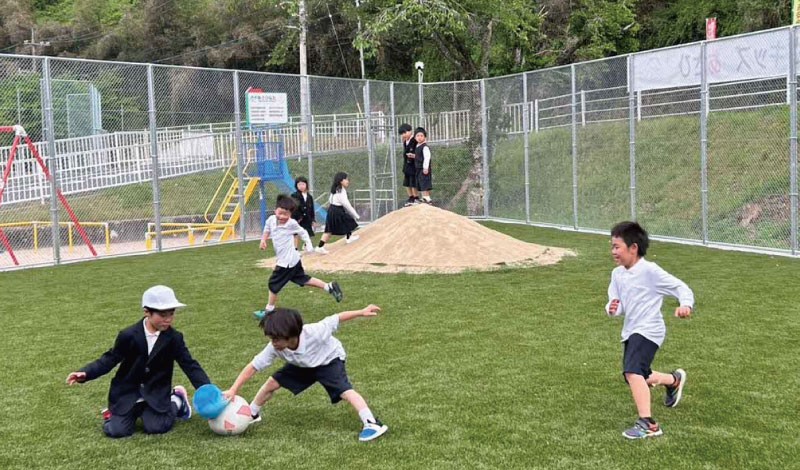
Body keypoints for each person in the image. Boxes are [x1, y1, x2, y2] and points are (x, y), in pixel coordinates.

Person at [223, 305, 389, 442]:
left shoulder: (315, 332)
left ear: (291, 335)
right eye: (271, 338)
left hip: (329, 360)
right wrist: (233, 389)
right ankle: (252, 413)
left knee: (344, 391)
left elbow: (337, 318)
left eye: (276, 339)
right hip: (303, 365)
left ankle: (372, 423)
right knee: (271, 384)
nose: (272, 343)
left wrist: (361, 312)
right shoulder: (274, 347)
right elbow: (253, 366)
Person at [65, 285, 210, 438]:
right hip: (127, 393)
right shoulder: (128, 335)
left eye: (171, 313)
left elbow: (189, 365)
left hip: (156, 393)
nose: (168, 319)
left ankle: (177, 400)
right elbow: (110, 358)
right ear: (147, 312)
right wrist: (86, 373)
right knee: (116, 431)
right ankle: (114, 415)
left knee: (157, 427)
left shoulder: (174, 338)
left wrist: (208, 389)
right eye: (162, 315)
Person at [606, 221, 694, 440]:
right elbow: (616, 303)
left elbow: (681, 287)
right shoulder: (617, 275)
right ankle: (673, 381)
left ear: (633, 248)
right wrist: (612, 308)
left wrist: (685, 304)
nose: (613, 252)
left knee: (632, 371)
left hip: (649, 330)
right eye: (612, 247)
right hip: (631, 330)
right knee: (638, 375)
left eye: (617, 247)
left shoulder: (650, 271)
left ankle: (649, 424)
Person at [256, 194, 343, 320]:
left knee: (273, 284)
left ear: (290, 215)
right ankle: (328, 287)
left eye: (286, 214)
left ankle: (269, 311)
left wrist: (308, 244)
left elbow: (303, 232)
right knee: (303, 279)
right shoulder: (271, 220)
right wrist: (263, 240)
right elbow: (267, 229)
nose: (282, 217)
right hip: (292, 260)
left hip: (287, 262)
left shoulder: (291, 224)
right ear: (275, 210)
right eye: (280, 213)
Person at [315, 172, 360, 254]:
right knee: (349, 220)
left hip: (332, 209)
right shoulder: (341, 191)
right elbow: (346, 204)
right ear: (340, 181)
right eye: (345, 179)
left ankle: (320, 246)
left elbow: (330, 200)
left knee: (329, 230)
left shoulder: (335, 189)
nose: (347, 181)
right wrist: (355, 214)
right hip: (336, 210)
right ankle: (348, 238)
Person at [291, 176, 316, 243]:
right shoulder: (294, 195)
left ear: (306, 185)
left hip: (307, 219)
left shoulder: (309, 197)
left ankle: (307, 247)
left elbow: (311, 209)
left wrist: (313, 220)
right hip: (298, 219)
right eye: (299, 184)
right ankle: (295, 250)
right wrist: (298, 217)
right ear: (296, 186)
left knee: (309, 234)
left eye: (303, 184)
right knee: (296, 235)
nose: (301, 186)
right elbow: (293, 208)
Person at [398, 123, 418, 206]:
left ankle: (416, 197)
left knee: (413, 182)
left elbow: (418, 152)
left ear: (410, 131)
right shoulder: (405, 142)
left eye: (405, 133)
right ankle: (411, 197)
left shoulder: (415, 141)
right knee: (406, 182)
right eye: (402, 134)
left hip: (413, 165)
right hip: (407, 165)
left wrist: (413, 156)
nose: (403, 135)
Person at [413, 127, 433, 204]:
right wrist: (414, 156)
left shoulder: (424, 147)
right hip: (418, 168)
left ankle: (428, 199)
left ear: (425, 137)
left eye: (421, 136)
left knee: (425, 183)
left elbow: (427, 158)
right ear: (415, 137)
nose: (419, 137)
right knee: (421, 183)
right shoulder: (417, 146)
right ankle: (424, 197)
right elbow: (419, 156)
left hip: (423, 169)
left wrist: (425, 167)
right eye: (418, 136)